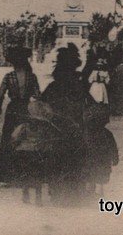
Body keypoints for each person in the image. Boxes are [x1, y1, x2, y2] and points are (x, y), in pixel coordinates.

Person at [40, 45, 91, 205]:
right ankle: (75, 193)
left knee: (56, 161)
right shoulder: (79, 86)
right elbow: (91, 105)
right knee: (76, 161)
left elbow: (42, 107)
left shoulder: (53, 87)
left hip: (56, 131)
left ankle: (56, 193)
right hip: (76, 130)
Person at [0, 46, 42, 197]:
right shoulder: (32, 77)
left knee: (9, 139)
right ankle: (24, 175)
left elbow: (0, 96)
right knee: (25, 140)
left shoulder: (8, 77)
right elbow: (38, 95)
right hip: (25, 110)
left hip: (12, 110)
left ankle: (9, 175)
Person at [84, 102, 119, 195]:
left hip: (88, 162)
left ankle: (88, 195)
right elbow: (113, 147)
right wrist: (115, 159)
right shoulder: (107, 134)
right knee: (100, 181)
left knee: (89, 180)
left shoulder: (86, 133)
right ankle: (99, 196)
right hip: (102, 162)